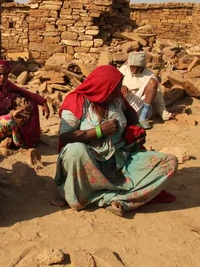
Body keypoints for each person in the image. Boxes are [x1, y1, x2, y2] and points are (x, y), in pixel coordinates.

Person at [53, 65, 178, 217]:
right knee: (75, 150)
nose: (118, 93)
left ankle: (117, 198)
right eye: (114, 89)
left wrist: (137, 129)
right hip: (89, 163)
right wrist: (99, 131)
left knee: (169, 162)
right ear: (103, 88)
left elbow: (130, 114)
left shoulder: (117, 100)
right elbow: (65, 136)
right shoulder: (77, 100)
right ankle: (93, 195)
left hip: (120, 160)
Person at [0, 59, 50, 148]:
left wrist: (42, 101)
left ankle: (30, 139)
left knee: (30, 104)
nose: (2, 77)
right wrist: (8, 116)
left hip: (6, 115)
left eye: (5, 74)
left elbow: (23, 91)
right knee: (9, 122)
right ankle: (15, 143)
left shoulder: (6, 85)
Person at [119, 51, 172, 129]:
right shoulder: (124, 69)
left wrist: (164, 114)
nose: (132, 69)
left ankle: (142, 118)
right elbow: (111, 84)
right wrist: (121, 86)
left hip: (139, 106)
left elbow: (158, 98)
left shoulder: (149, 74)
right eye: (131, 66)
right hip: (123, 104)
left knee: (152, 82)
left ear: (141, 66)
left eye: (135, 67)